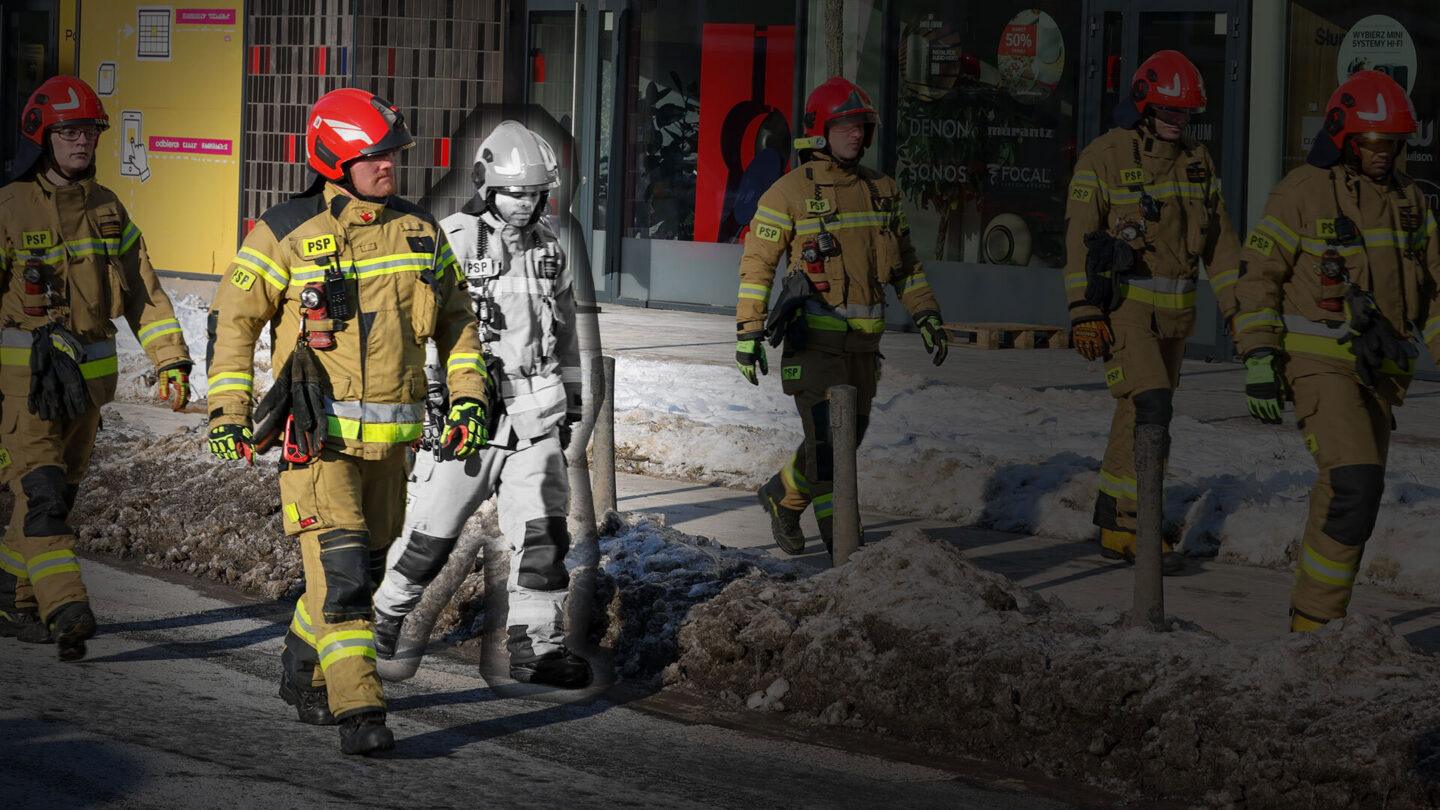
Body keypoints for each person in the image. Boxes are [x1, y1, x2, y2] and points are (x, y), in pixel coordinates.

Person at [206, 88, 489, 754]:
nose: (388, 166)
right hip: (316, 441)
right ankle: (360, 709)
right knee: (343, 581)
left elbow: (458, 323)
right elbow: (235, 325)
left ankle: (303, 670)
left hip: (392, 449)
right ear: (334, 156)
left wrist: (470, 395)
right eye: (374, 156)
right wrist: (229, 409)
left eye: (392, 153)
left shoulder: (421, 231)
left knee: (362, 565)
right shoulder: (283, 230)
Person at [371, 121, 591, 689]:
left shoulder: (550, 249)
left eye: (533, 193)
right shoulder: (452, 238)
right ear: (487, 187)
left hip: (534, 422)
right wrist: (432, 398)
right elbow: (420, 326)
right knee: (429, 538)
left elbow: (564, 334)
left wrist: (570, 396)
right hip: (468, 417)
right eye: (514, 192)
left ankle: (537, 649)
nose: (524, 204)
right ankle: (380, 621)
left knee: (543, 536)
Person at [1233, 70, 1440, 631]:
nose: (1386, 155)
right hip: (1319, 364)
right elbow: (1257, 277)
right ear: (1345, 136)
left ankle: (1314, 623)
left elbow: (1436, 290)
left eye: (1395, 145)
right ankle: (1317, 625)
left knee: (1355, 495)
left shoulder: (1412, 203)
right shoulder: (1301, 192)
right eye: (1376, 143)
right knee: (1354, 482)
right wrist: (1258, 353)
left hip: (1381, 373)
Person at [0, 76, 191, 660]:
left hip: (88, 387)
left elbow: (144, 292)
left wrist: (172, 361)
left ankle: (14, 595)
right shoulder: (9, 206)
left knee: (59, 494)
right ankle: (67, 607)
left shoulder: (108, 206)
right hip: (26, 387)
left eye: (90, 132)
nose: (83, 143)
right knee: (43, 494)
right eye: (70, 132)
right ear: (43, 137)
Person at [738, 76, 948, 556]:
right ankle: (841, 543)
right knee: (831, 444)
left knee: (844, 441)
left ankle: (783, 496)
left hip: (864, 348)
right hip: (813, 344)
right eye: (846, 126)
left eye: (862, 126)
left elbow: (907, 266)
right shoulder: (785, 194)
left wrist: (927, 315)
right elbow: (757, 269)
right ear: (819, 131)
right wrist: (748, 333)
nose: (857, 135)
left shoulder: (883, 191)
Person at [1064, 50, 1242, 573]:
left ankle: (1115, 515)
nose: (1175, 121)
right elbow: (1077, 238)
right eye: (1167, 110)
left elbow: (1222, 246)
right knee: (1151, 406)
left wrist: (1239, 312)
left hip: (1176, 318)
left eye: (1184, 113)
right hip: (1124, 310)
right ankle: (1133, 523)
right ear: (1143, 105)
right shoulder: (1104, 156)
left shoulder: (1197, 162)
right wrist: (1082, 310)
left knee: (1144, 415)